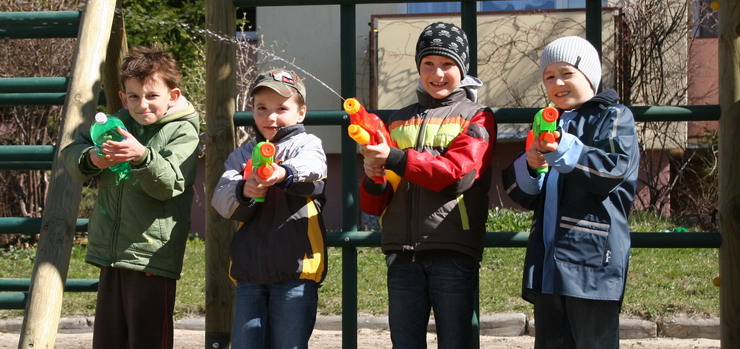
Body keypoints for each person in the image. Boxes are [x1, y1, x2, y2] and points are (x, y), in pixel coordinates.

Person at [358, 22, 497, 348]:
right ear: (419, 68)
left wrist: (392, 158)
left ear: (461, 70)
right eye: (428, 64)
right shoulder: (397, 119)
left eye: (447, 64)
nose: (437, 73)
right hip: (402, 255)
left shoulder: (477, 116)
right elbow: (374, 203)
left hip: (453, 250)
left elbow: (458, 176)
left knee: (456, 342)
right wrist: (374, 174)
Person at [502, 36, 640, 348]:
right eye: (549, 76)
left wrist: (562, 147)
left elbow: (612, 170)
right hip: (550, 262)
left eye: (567, 73)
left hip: (592, 260)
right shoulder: (545, 122)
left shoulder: (614, 116)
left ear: (590, 76)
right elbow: (524, 194)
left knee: (594, 341)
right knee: (551, 340)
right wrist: (532, 163)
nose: (557, 82)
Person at [61, 46, 200, 348]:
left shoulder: (183, 131)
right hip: (114, 252)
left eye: (152, 96)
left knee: (148, 338)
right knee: (110, 338)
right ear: (124, 97)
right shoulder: (117, 122)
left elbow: (169, 184)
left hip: (152, 254)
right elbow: (71, 153)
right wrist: (92, 159)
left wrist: (142, 158)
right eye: (134, 96)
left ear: (172, 97)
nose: (142, 104)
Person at [211, 69, 328, 349]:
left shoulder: (307, 145)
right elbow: (221, 198)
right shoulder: (241, 155)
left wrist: (283, 173)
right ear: (252, 110)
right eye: (262, 108)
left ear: (301, 113)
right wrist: (244, 190)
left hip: (296, 273)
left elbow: (315, 167)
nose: (270, 117)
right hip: (249, 274)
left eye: (281, 108)